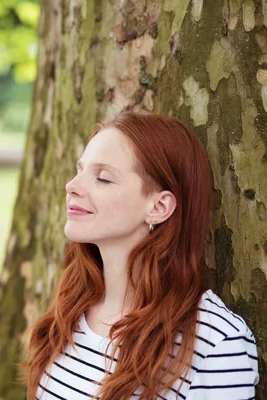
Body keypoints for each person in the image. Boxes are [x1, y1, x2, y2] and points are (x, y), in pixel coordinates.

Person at [26, 112, 259, 400]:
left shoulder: (214, 343)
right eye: (80, 169)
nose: (71, 186)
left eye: (102, 178)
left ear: (158, 207)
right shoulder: (75, 301)